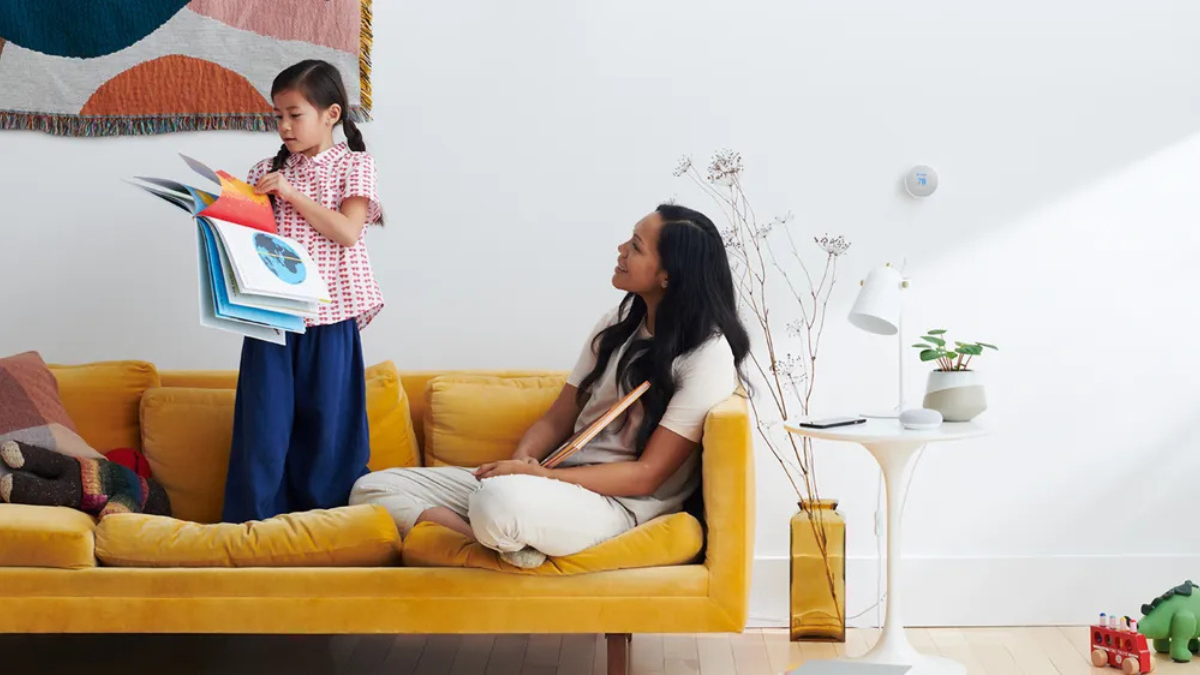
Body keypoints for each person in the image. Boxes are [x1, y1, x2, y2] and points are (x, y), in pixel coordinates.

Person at [349, 204, 749, 568]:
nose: (621, 248)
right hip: (553, 484)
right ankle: (502, 545)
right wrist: (523, 464)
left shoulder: (707, 355)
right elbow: (558, 419)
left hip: (618, 504)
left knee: (499, 505)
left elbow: (647, 475)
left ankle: (501, 535)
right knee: (373, 487)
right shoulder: (617, 323)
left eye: (637, 247)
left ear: (667, 276)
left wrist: (538, 480)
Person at [221, 59, 385, 523]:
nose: (284, 125)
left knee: (329, 430)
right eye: (278, 115)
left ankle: (331, 529)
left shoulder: (356, 165)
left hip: (332, 316)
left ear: (331, 114)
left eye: (295, 114)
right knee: (262, 427)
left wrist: (291, 194)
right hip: (271, 316)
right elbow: (254, 242)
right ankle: (250, 530)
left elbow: (348, 232)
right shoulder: (264, 169)